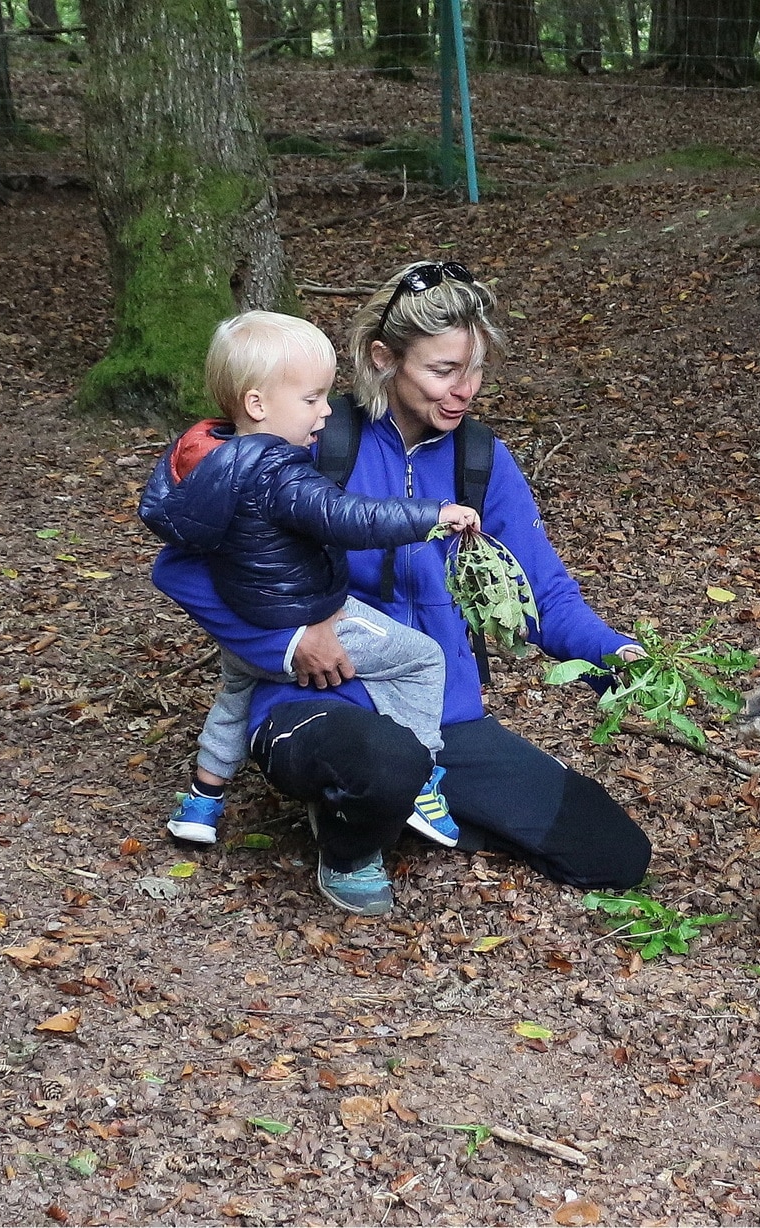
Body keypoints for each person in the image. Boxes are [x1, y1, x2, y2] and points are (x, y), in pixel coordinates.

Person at [150, 262, 652, 916]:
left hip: (440, 716)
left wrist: (616, 658)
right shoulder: (307, 438)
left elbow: (540, 593)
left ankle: (386, 810)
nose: (463, 389)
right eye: (443, 371)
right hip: (317, 700)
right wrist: (293, 638)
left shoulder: (480, 460)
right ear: (384, 358)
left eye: (473, 370)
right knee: (385, 758)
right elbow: (184, 565)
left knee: (612, 855)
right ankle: (351, 837)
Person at [140, 312, 479, 858]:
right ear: (258, 405)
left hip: (249, 630)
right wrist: (430, 516)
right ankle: (421, 777)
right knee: (422, 659)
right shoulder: (279, 472)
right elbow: (345, 517)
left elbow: (184, 556)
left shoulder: (203, 460)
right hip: (303, 615)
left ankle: (203, 802)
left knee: (234, 696)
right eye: (312, 399)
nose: (326, 410)